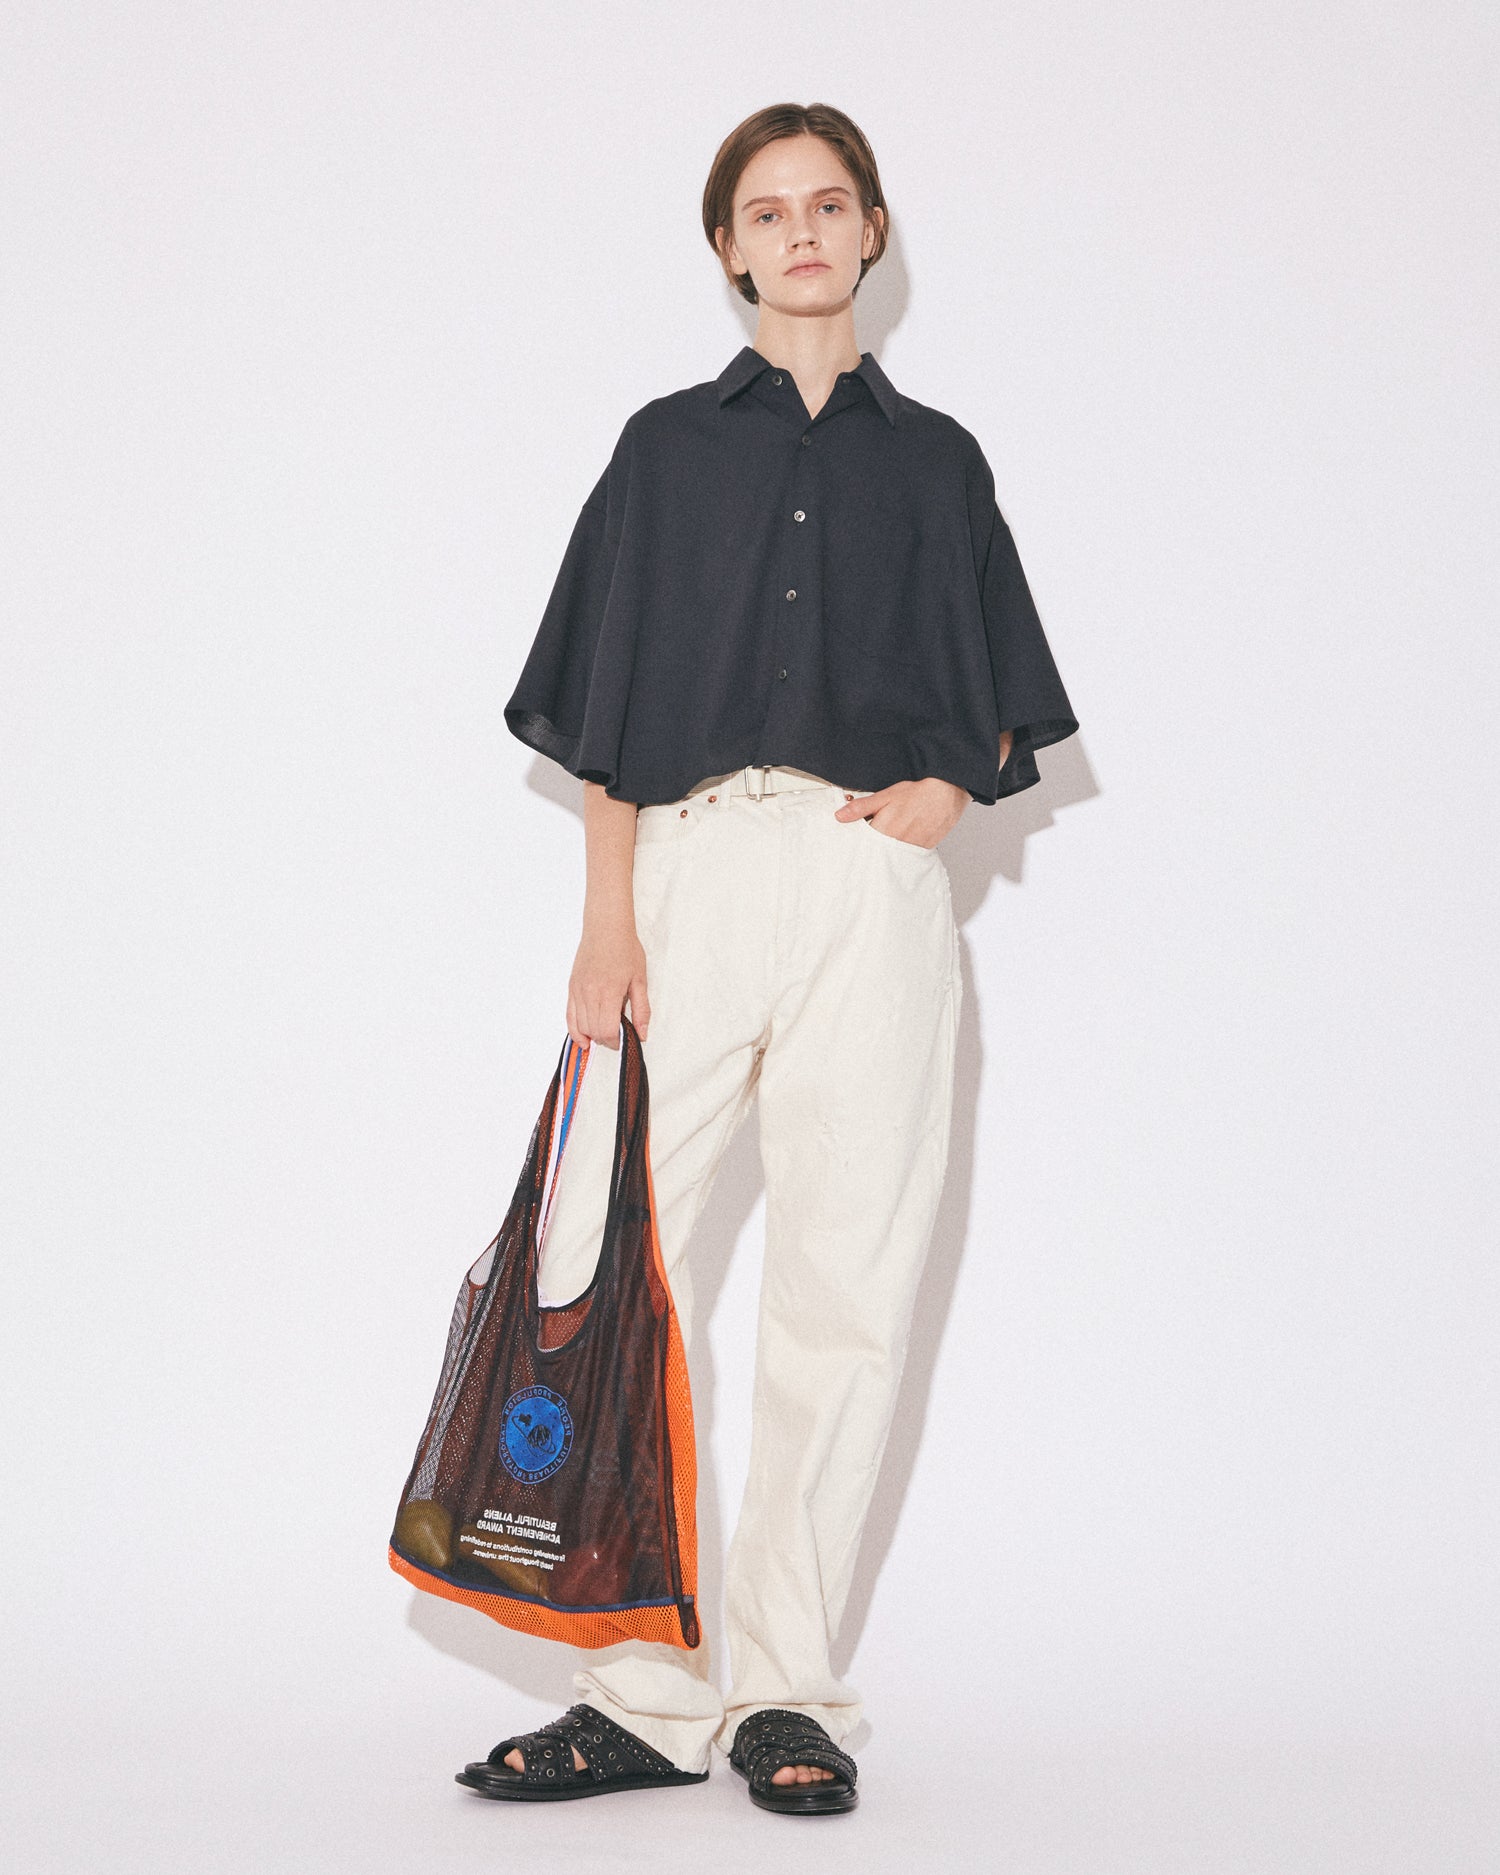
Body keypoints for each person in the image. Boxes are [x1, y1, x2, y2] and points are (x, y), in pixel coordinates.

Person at [457, 101, 1079, 1816]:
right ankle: (641, 1693)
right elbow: (600, 709)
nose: (800, 231)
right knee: (610, 1265)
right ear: (728, 249)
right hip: (688, 873)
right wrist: (607, 920)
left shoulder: (938, 464)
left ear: (872, 230)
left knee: (846, 1288)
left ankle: (784, 1694)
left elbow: (1005, 696)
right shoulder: (666, 451)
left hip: (869, 889)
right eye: (765, 209)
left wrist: (949, 789)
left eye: (828, 203)